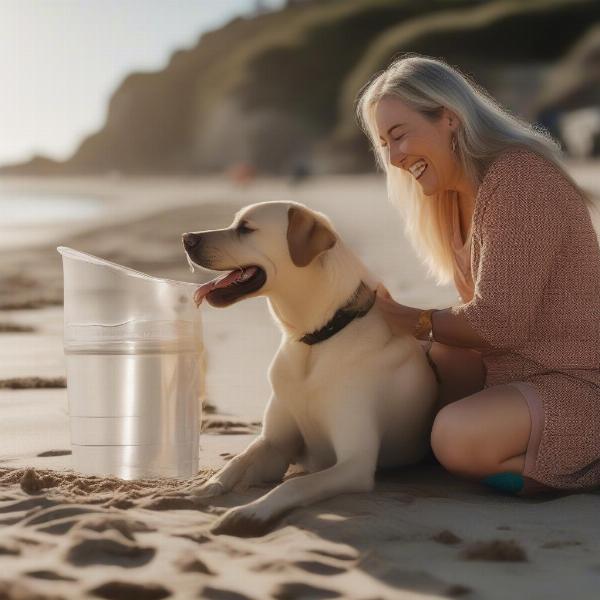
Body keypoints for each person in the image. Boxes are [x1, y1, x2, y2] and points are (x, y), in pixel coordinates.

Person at [356, 53, 600, 497]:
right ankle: (488, 453)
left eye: (399, 135)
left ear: (448, 118)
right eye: (383, 144)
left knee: (455, 437)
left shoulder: (520, 179)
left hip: (578, 384)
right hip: (514, 376)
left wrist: (403, 317)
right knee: (437, 362)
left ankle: (575, 467)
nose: (393, 158)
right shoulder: (452, 198)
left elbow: (498, 323)